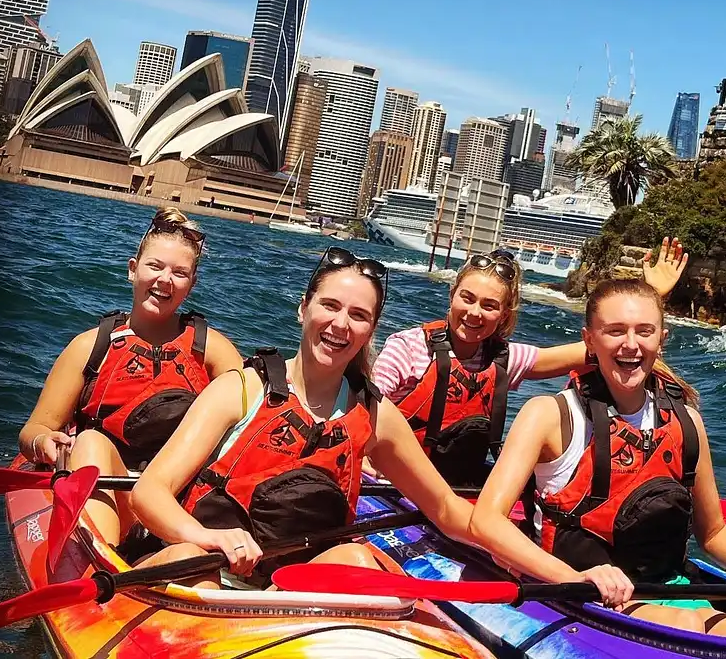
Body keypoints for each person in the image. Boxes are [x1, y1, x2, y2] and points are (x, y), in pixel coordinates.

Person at [128, 246, 637, 606]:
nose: (340, 325)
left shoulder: (375, 417)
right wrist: (205, 538)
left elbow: (451, 513)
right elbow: (149, 492)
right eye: (329, 306)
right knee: (185, 557)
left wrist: (568, 576)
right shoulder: (240, 389)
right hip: (202, 569)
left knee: (357, 556)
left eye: (359, 315)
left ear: (372, 328)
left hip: (293, 585)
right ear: (304, 309)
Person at [468, 278, 726, 643]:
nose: (630, 345)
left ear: (661, 340)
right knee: (685, 627)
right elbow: (487, 521)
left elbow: (712, 532)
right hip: (587, 595)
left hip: (673, 592)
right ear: (589, 340)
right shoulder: (549, 415)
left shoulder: (687, 422)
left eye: (644, 332)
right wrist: (573, 578)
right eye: (615, 331)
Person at [370, 237, 689, 486]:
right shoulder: (408, 347)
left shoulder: (507, 358)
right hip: (393, 483)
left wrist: (650, 295)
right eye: (466, 298)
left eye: (489, 305)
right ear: (452, 295)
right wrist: (367, 461)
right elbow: (363, 411)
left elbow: (604, 347)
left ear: (504, 315)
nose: (474, 312)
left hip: (459, 487)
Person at [17, 208, 243, 546]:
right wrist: (43, 443)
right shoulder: (90, 347)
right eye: (155, 266)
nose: (165, 280)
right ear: (132, 270)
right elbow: (33, 430)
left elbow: (249, 427)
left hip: (177, 505)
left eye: (180, 273)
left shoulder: (212, 350)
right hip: (113, 493)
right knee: (91, 441)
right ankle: (100, 562)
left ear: (192, 285)